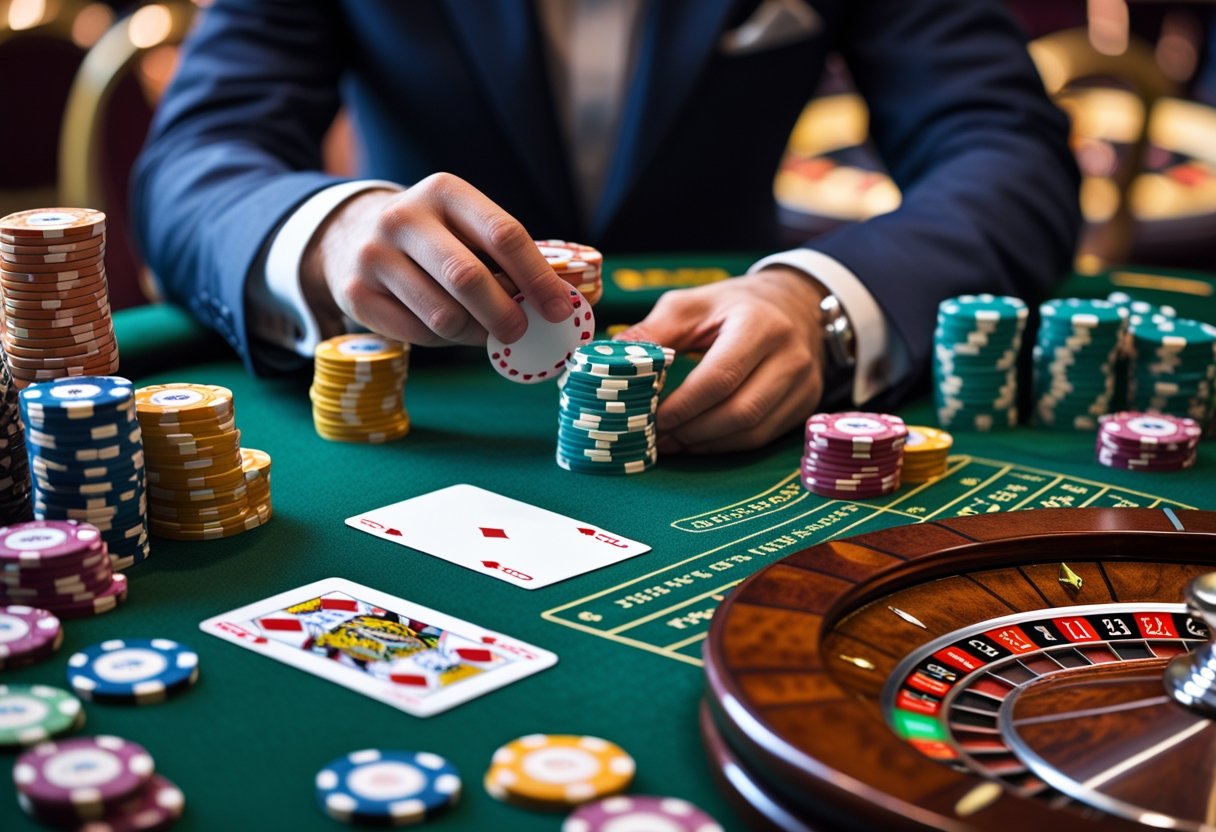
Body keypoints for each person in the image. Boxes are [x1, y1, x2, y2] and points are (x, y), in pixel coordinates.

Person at [132, 0, 1080, 454]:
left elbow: (1007, 150)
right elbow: (191, 164)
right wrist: (331, 225)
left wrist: (820, 302)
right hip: (433, 395)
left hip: (734, 381)